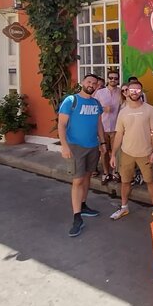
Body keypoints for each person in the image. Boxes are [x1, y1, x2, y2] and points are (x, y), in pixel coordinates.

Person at [57, 74, 106, 238]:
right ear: (82, 83)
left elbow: (99, 124)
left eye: (94, 83)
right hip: (76, 147)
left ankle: (83, 205)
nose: (91, 85)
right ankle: (77, 218)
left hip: (93, 146)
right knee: (77, 180)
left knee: (86, 177)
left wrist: (103, 143)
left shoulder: (96, 103)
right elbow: (61, 124)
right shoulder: (71, 101)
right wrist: (64, 146)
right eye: (89, 82)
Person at [109, 80, 153, 220]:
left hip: (146, 153)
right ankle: (124, 207)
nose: (135, 93)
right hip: (127, 153)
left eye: (138, 90)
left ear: (141, 92)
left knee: (150, 181)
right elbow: (119, 134)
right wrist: (113, 154)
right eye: (132, 90)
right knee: (125, 182)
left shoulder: (149, 109)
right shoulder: (123, 112)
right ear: (127, 92)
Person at [93, 70, 121, 184]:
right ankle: (106, 172)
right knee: (103, 151)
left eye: (115, 78)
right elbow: (94, 108)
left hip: (116, 128)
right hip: (102, 128)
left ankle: (115, 172)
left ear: (118, 80)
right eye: (111, 78)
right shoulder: (100, 93)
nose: (113, 80)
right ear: (108, 79)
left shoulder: (121, 92)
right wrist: (104, 109)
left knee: (116, 152)